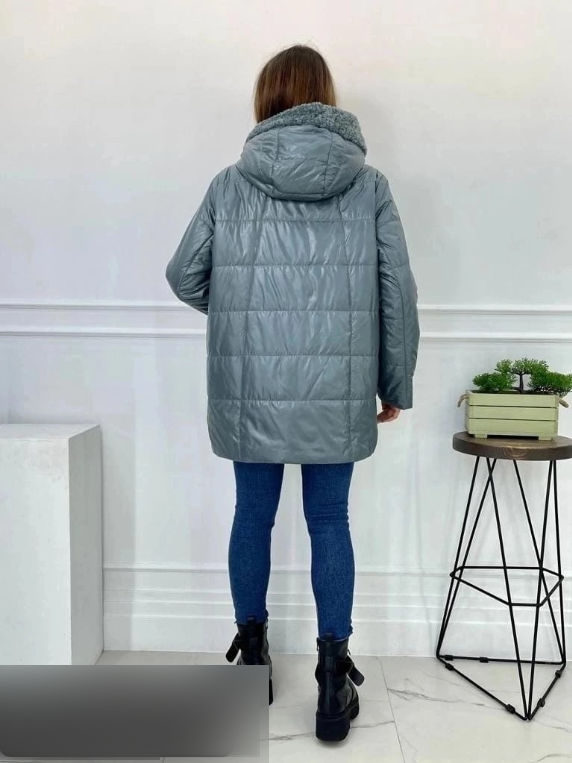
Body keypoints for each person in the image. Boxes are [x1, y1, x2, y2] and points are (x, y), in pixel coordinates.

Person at [165, 43, 420, 743]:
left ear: (266, 100)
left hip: (251, 386)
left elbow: (184, 276)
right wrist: (394, 382)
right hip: (337, 387)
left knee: (252, 516)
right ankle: (333, 681)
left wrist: (242, 311)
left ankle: (252, 662)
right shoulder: (369, 186)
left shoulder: (229, 184)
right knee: (329, 520)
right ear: (326, 98)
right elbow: (396, 292)